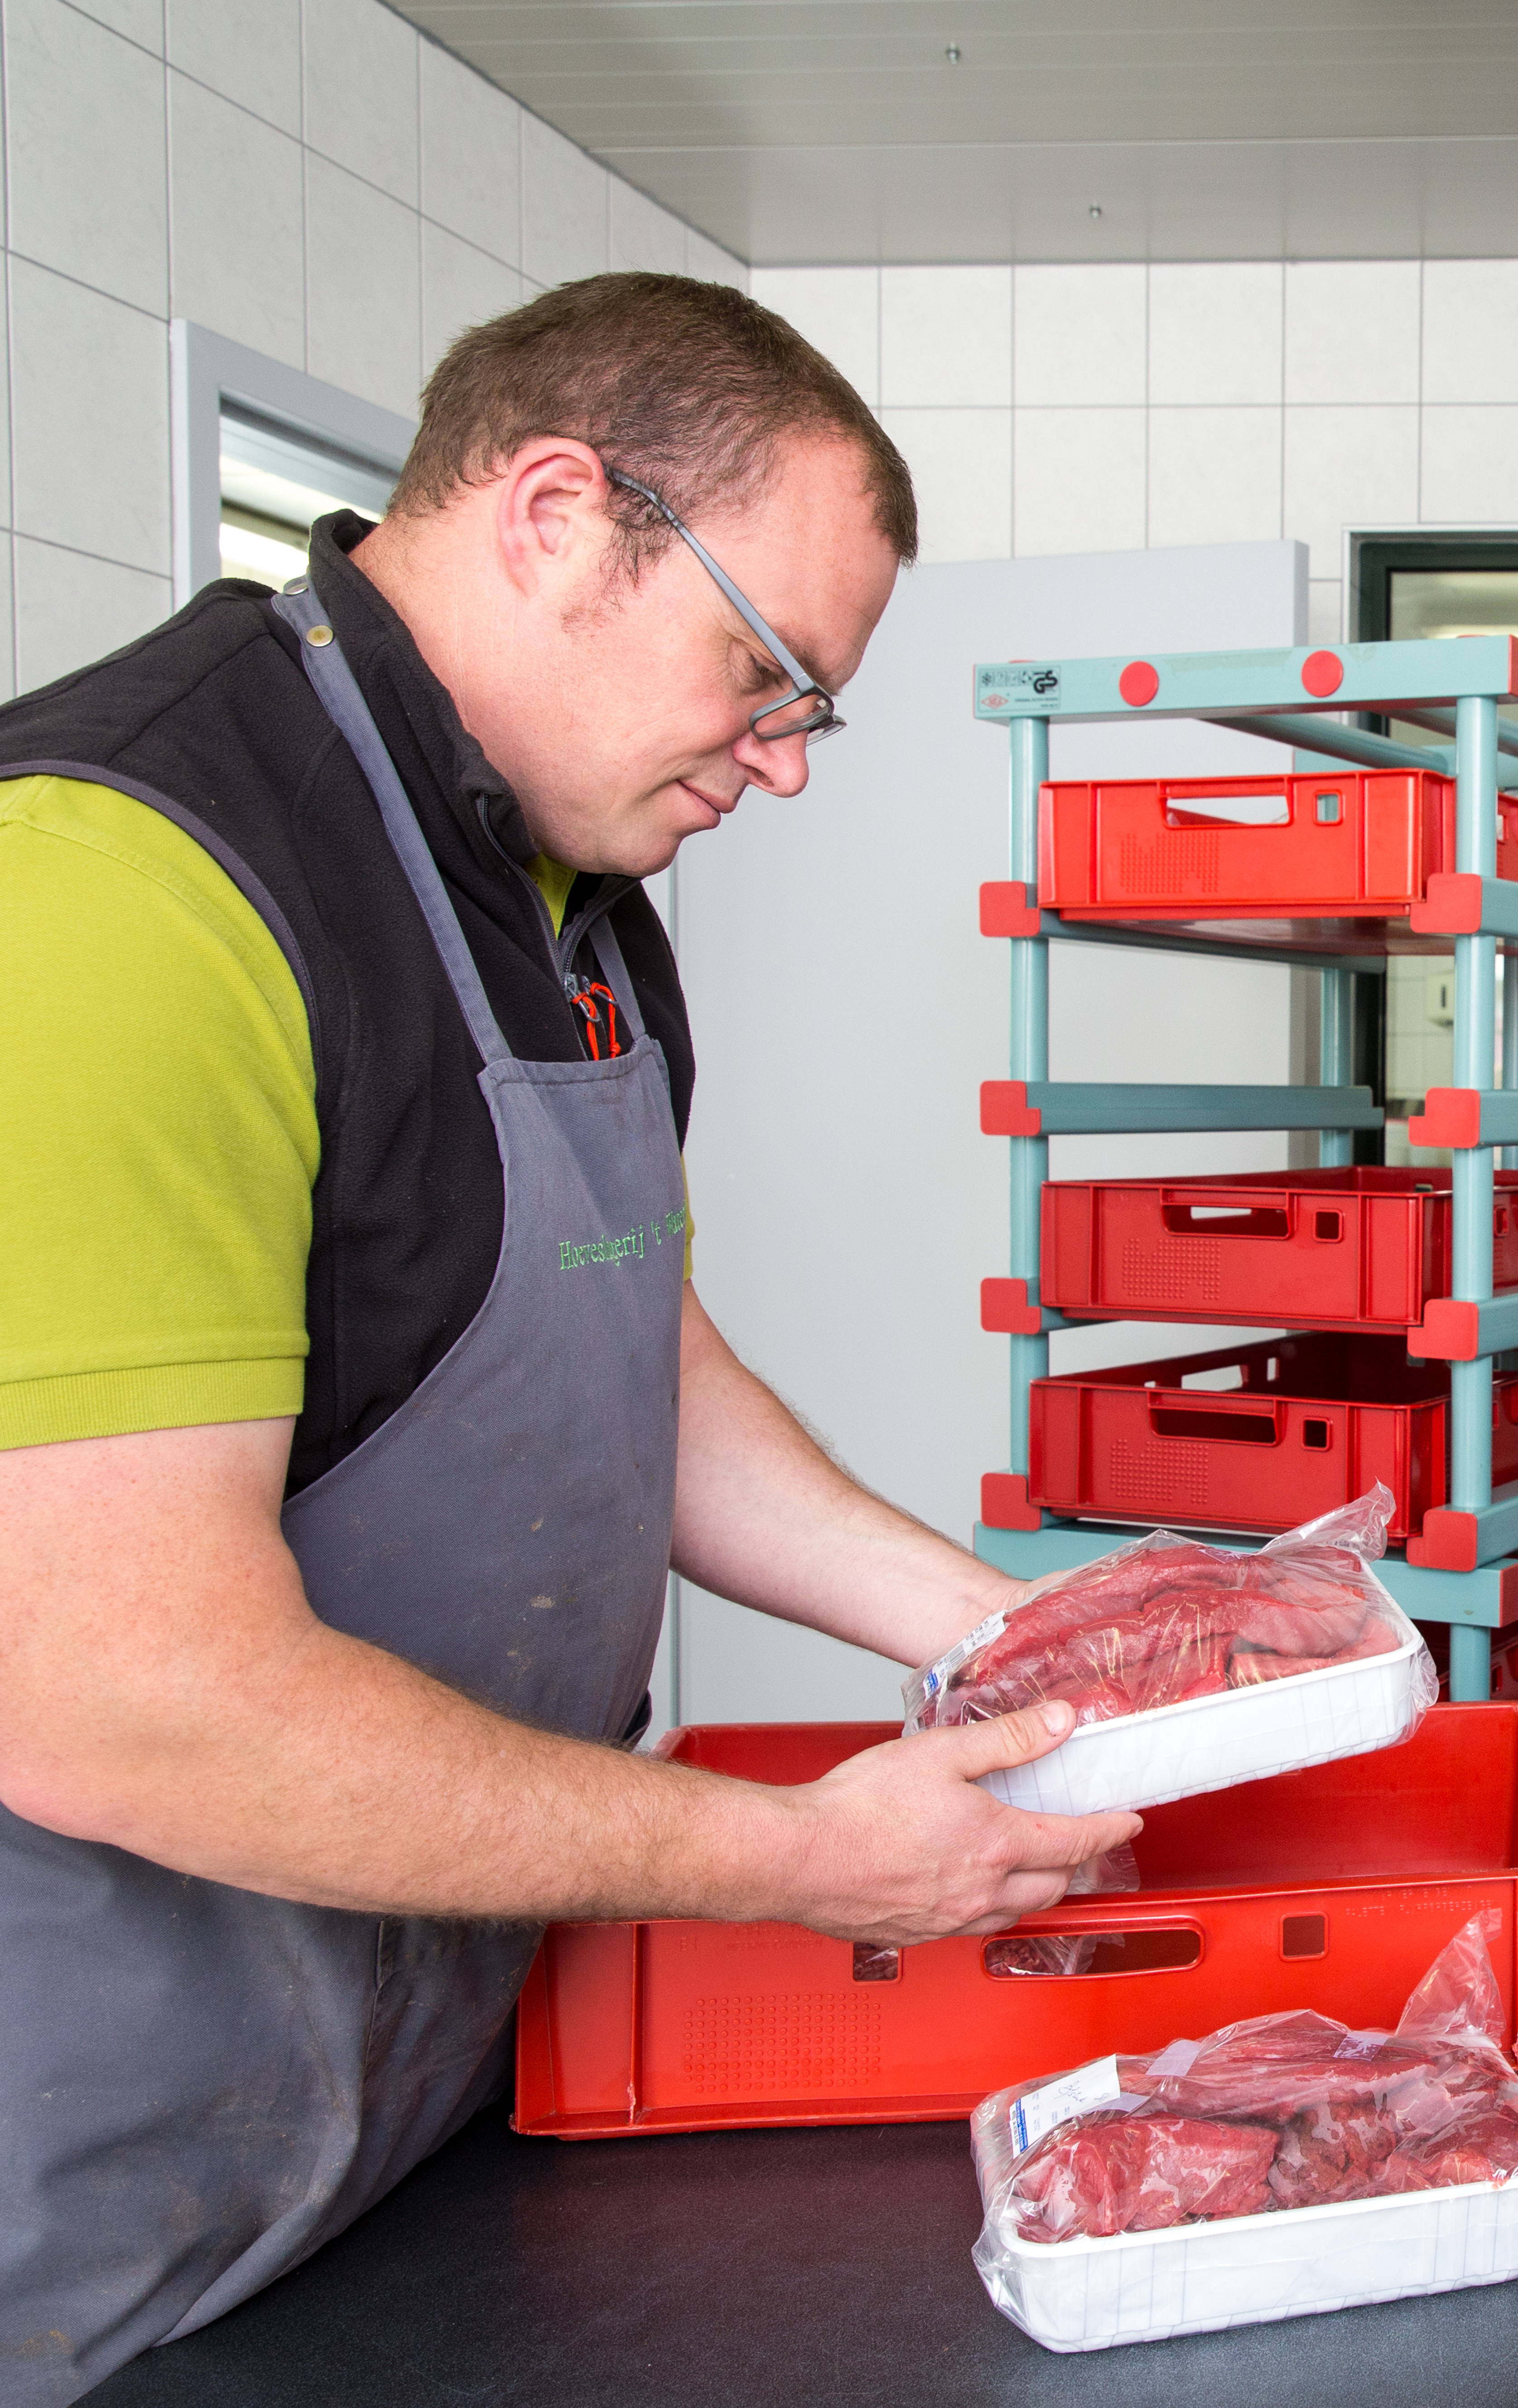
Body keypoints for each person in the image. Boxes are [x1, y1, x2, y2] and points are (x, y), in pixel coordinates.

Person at [0, 274, 1135, 2402]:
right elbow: (110, 1696)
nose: (782, 766)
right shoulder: (118, 889)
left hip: (393, 2088)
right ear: (552, 515)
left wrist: (1031, 1630)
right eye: (765, 672)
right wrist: (799, 1857)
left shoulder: (567, 894)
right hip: (88, 2179)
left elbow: (636, 1378)